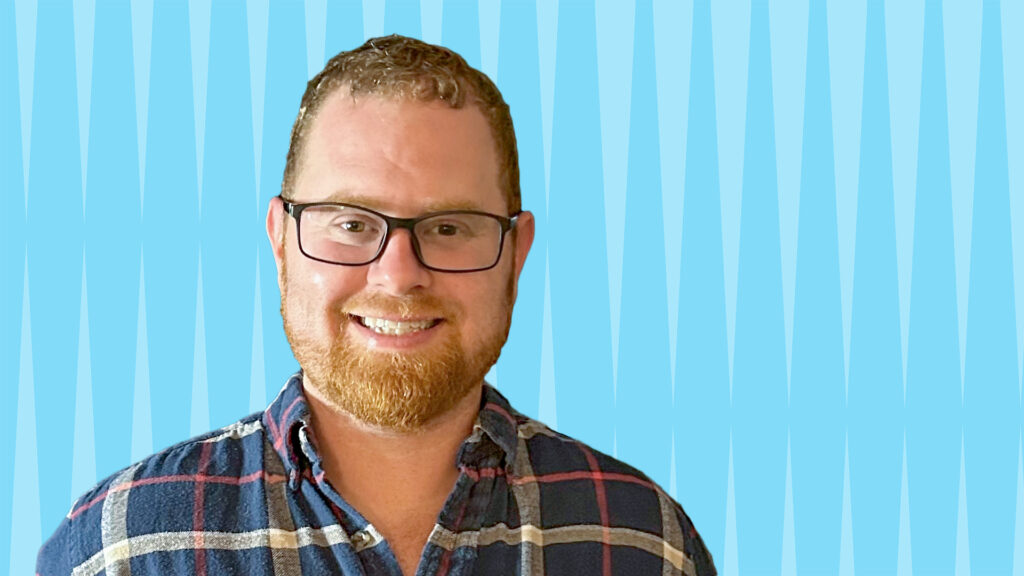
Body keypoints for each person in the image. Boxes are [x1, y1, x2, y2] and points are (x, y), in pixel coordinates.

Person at [37, 35, 716, 576]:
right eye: (352, 224)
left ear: (517, 251)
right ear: (281, 240)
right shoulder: (122, 549)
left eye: (449, 228)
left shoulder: (643, 542)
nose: (398, 276)